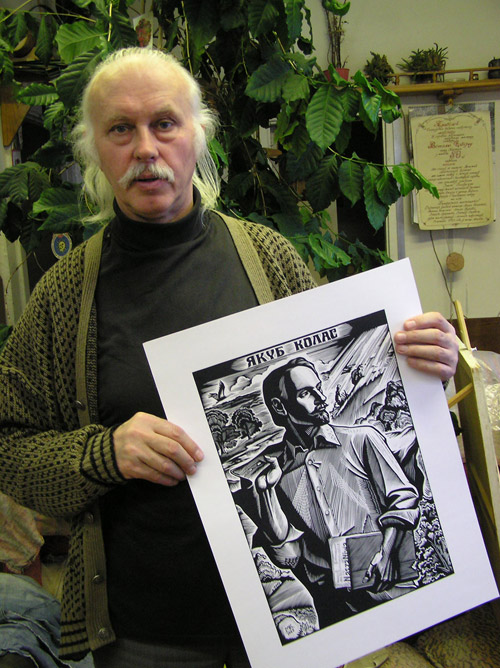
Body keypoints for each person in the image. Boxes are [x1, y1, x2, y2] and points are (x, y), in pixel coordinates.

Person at [0, 47, 459, 668]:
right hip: (146, 632)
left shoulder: (269, 258)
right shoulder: (64, 296)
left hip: (294, 631)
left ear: (198, 135)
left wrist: (425, 364)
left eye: (165, 123)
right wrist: (105, 453)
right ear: (95, 151)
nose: (145, 148)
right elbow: (8, 445)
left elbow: (372, 380)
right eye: (120, 129)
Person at [241, 356, 420, 628]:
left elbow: (404, 500)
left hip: (387, 587)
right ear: (279, 406)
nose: (321, 398)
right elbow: (290, 556)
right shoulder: (276, 472)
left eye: (318, 388)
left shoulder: (361, 440)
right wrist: (266, 494)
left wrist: (385, 554)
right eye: (306, 393)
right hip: (333, 607)